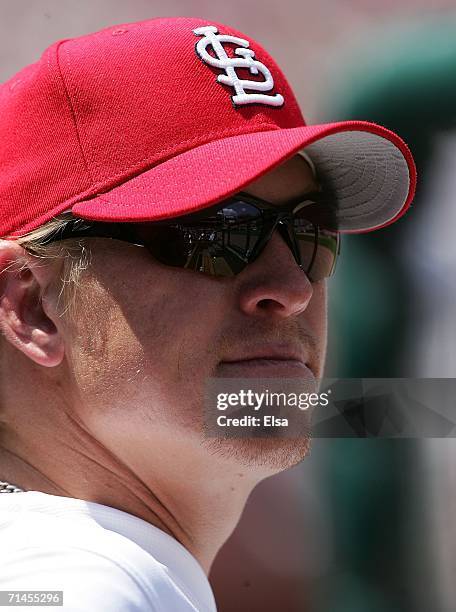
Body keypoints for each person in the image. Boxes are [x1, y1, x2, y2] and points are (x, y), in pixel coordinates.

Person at [0, 16, 415, 612]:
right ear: (33, 306)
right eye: (215, 232)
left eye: (309, 232)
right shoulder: (86, 584)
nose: (290, 287)